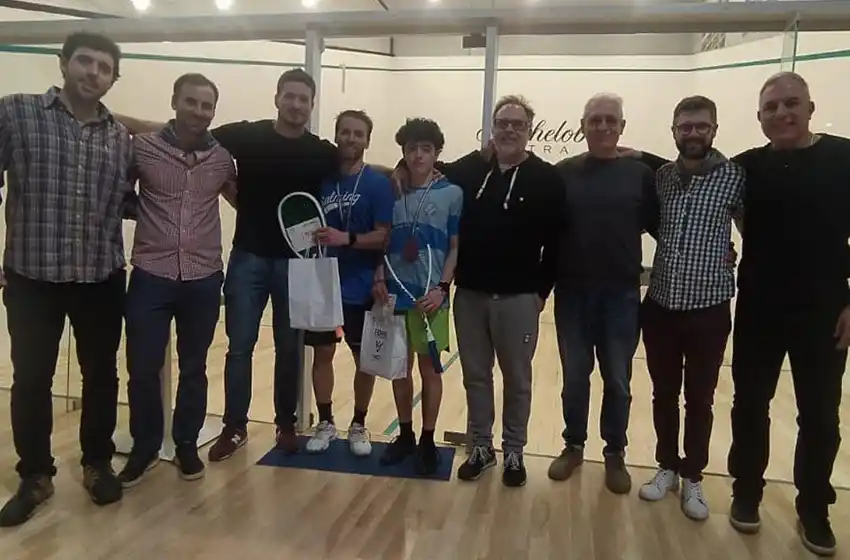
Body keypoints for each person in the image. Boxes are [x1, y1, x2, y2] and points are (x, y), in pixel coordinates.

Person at [117, 68, 339, 460]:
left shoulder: (321, 151)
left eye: (303, 99)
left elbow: (358, 166)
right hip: (247, 259)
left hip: (297, 265)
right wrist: (122, 120)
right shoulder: (246, 135)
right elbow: (187, 133)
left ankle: (285, 423)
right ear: (277, 98)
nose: (295, 104)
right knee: (239, 348)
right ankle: (235, 426)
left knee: (290, 349)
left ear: (311, 104)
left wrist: (399, 174)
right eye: (289, 96)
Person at [392, 96, 565, 486]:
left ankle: (515, 451)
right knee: (476, 376)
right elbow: (426, 166)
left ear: (529, 131)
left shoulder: (546, 179)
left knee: (517, 380)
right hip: (470, 296)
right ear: (492, 127)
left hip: (520, 299)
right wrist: (402, 166)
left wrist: (540, 294)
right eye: (502, 123)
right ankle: (482, 448)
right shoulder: (470, 171)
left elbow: (556, 243)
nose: (508, 130)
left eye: (517, 124)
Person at [0, 32, 134, 527]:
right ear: (63, 63)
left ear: (114, 78)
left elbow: (128, 202)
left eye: (104, 67)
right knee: (31, 379)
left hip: (99, 276)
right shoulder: (15, 112)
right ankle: (36, 474)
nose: (93, 72)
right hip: (32, 274)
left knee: (101, 377)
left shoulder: (120, 137)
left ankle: (97, 463)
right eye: (85, 61)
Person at [727, 72, 850, 557]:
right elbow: (693, 174)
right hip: (759, 305)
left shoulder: (844, 158)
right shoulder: (745, 168)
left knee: (819, 415)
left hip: (824, 310)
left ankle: (814, 510)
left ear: (810, 107)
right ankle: (746, 494)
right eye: (771, 108)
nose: (782, 114)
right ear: (759, 118)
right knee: (748, 406)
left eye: (791, 104)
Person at [117, 73, 237, 488]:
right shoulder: (144, 147)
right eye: (192, 102)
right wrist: (139, 214)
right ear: (174, 101)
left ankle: (186, 443)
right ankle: (145, 446)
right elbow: (120, 188)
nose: (199, 112)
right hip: (151, 273)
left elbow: (241, 197)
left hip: (203, 278)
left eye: (207, 106)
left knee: (194, 367)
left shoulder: (222, 158)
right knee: (142, 368)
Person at [636, 95, 744, 521]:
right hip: (660, 305)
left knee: (699, 399)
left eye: (701, 126)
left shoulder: (734, 177)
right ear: (674, 131)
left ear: (714, 129)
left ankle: (693, 474)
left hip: (709, 309)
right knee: (663, 393)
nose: (693, 133)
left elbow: (754, 229)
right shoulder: (661, 177)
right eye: (686, 127)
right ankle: (666, 467)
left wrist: (732, 253)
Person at [546, 93, 659, 495]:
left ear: (622, 127)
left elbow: (665, 226)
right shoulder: (562, 173)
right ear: (583, 125)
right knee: (575, 378)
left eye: (611, 120)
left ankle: (615, 453)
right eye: (595, 119)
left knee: (618, 381)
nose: (603, 126)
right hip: (572, 294)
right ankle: (573, 446)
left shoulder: (641, 174)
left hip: (621, 297)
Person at [302, 110, 394, 456]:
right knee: (323, 353)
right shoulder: (321, 181)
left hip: (362, 284)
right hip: (323, 282)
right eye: (345, 132)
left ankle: (358, 424)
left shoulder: (378, 185)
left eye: (358, 134)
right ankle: (325, 422)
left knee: (363, 359)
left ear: (367, 140)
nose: (351, 139)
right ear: (337, 136)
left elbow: (384, 236)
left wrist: (347, 238)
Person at [373, 118, 462, 475]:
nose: (419, 155)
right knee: (399, 368)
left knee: (429, 370)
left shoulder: (452, 193)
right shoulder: (389, 191)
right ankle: (405, 435)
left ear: (437, 153)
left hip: (430, 298)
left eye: (426, 148)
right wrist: (378, 276)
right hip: (394, 294)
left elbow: (455, 248)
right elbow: (380, 239)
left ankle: (428, 439)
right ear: (404, 153)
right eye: (412, 148)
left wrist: (442, 289)